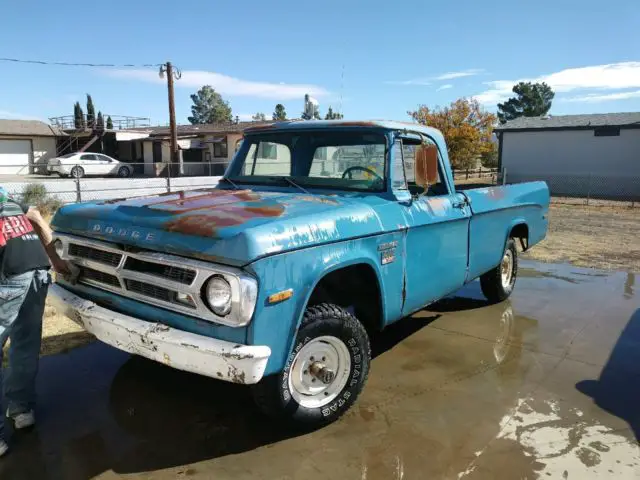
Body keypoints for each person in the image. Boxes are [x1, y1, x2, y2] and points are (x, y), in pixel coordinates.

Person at [0, 188, 72, 457]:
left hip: (11, 273)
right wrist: (54, 259)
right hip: (37, 271)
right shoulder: (10, 200)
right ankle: (20, 409)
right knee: (25, 343)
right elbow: (36, 217)